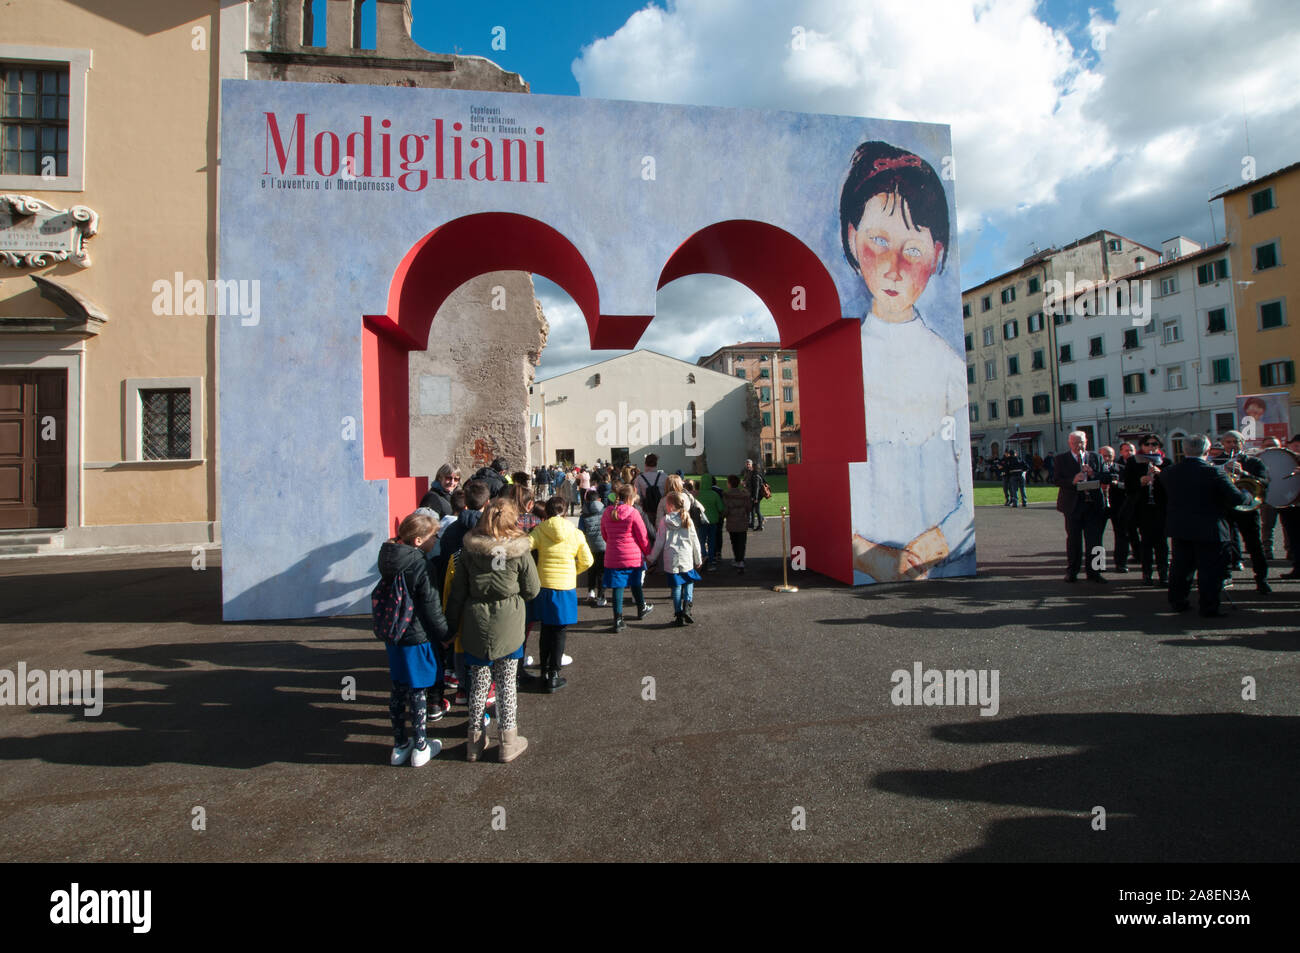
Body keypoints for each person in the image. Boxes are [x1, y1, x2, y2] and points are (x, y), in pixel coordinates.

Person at [840, 141, 973, 583]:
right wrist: (866, 556)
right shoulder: (840, 365)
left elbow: (968, 494)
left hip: (936, 569)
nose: (894, 267)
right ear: (851, 237)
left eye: (912, 249)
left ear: (935, 255)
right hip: (866, 569)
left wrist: (933, 546)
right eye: (878, 241)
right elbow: (828, 489)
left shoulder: (948, 367)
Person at [445, 498, 538, 763]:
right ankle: (508, 741)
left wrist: (450, 628)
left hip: (477, 621)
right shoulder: (520, 552)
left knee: (478, 684)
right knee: (507, 683)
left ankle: (474, 742)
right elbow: (532, 589)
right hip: (509, 622)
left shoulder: (469, 551)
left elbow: (457, 593)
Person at [375, 511, 449, 767]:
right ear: (418, 540)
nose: (435, 541)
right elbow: (431, 605)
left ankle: (399, 744)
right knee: (419, 691)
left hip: (394, 633)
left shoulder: (388, 557)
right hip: (416, 634)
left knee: (398, 688)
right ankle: (420, 745)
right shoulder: (420, 564)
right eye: (432, 536)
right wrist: (445, 634)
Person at [1161, 434, 1254, 617]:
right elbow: (1237, 499)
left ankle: (1178, 602)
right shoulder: (1214, 472)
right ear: (1207, 450)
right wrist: (1247, 492)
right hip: (1210, 528)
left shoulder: (1169, 472)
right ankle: (1209, 606)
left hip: (1181, 527)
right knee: (1210, 571)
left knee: (1181, 568)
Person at [530, 496, 594, 692]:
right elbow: (587, 560)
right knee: (559, 632)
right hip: (565, 586)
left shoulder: (540, 530)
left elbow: (525, 548)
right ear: (565, 512)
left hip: (544, 585)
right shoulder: (575, 533)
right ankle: (554, 673)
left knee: (546, 630)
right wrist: (572, 572)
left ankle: (544, 672)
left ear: (547, 512)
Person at [1214, 430, 1271, 594]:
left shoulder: (1254, 462)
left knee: (1254, 544)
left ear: (1242, 443)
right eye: (1228, 442)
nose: (1232, 445)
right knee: (1224, 543)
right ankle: (1225, 576)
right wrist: (1223, 470)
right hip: (1225, 507)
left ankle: (1262, 579)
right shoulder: (1216, 461)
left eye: (1235, 442)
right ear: (1223, 444)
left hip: (1247, 508)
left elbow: (1264, 482)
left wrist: (1243, 473)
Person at [1054, 430, 1111, 583]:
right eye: (1075, 443)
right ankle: (1072, 571)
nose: (1079, 446)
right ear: (1069, 443)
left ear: (1086, 442)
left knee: (1096, 540)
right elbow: (1055, 479)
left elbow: (1107, 477)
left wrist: (1093, 474)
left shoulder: (1096, 457)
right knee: (1073, 540)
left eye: (1081, 442)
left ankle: (1096, 571)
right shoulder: (1061, 459)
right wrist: (1073, 480)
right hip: (1072, 505)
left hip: (1093, 505)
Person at [600, 483, 653, 632]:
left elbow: (604, 533)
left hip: (613, 555)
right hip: (633, 555)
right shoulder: (633, 512)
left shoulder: (607, 512)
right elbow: (642, 536)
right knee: (635, 582)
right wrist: (647, 552)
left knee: (618, 586)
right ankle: (641, 607)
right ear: (630, 497)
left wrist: (611, 543)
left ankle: (618, 618)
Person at [647, 491, 703, 626]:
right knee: (689, 581)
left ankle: (678, 614)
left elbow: (659, 542)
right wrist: (698, 558)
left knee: (676, 587)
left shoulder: (664, 521)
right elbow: (694, 540)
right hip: (686, 556)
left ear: (670, 506)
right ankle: (687, 607)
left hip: (671, 557)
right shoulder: (687, 519)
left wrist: (651, 558)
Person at [1124, 434, 1169, 586]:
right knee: (1146, 543)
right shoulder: (1133, 462)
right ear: (1142, 446)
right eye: (1147, 444)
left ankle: (1164, 574)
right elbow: (1128, 487)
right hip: (1142, 508)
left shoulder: (1166, 462)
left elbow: (1173, 487)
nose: (1151, 447)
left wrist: (1161, 475)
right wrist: (1140, 482)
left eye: (1154, 444)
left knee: (1162, 543)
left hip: (1160, 507)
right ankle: (1147, 574)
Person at [1102, 443, 1139, 573]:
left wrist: (1118, 484)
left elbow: (1130, 486)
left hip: (1118, 506)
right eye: (1104, 456)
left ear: (1114, 456)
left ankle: (1121, 563)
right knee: (1095, 538)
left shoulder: (1122, 469)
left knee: (1122, 535)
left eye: (1109, 456)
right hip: (1099, 507)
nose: (1107, 458)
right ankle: (1098, 565)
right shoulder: (1093, 470)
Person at [579, 489, 607, 607]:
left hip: (589, 546)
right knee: (601, 572)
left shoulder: (583, 515)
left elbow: (581, 532)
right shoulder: (605, 512)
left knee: (591, 570)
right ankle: (601, 596)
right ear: (599, 500)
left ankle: (591, 592)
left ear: (586, 501)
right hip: (604, 546)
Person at [723, 474, 752, 573]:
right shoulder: (744, 495)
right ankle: (741, 559)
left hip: (732, 521)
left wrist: (724, 515)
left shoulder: (726, 495)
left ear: (730, 484)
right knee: (742, 542)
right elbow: (749, 507)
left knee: (734, 541)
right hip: (742, 520)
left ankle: (737, 559)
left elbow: (725, 510)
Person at [744, 459, 767, 530]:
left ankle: (760, 525)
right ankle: (754, 524)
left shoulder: (756, 476)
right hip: (755, 495)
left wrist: (755, 498)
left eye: (752, 466)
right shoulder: (755, 474)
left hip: (757, 496)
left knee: (757, 510)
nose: (750, 467)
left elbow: (756, 488)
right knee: (753, 510)